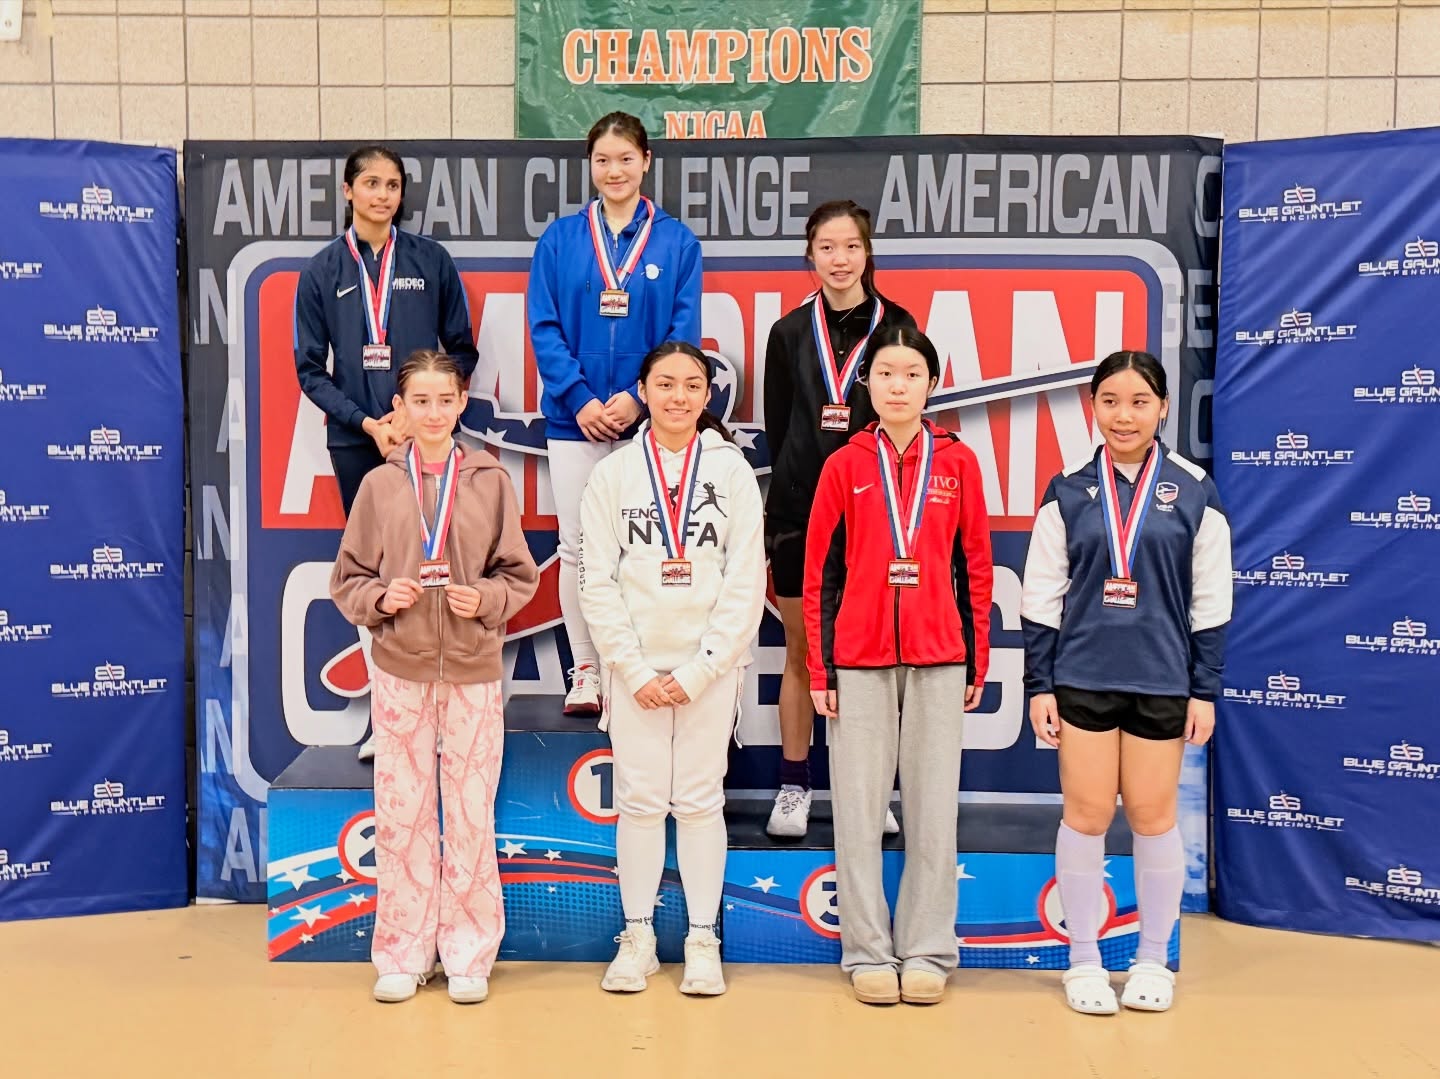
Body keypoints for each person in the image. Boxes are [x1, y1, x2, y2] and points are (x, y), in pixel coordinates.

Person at [1020, 350, 1231, 1016]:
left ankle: (1151, 958)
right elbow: (1041, 595)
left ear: (1163, 407)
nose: (1124, 414)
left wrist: (1205, 687)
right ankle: (1082, 957)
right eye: (1110, 400)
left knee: (1152, 815)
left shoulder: (1195, 488)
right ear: (1093, 406)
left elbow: (1212, 597)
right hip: (1082, 676)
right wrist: (1039, 682)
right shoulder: (1068, 490)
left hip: (1162, 681)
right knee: (1085, 816)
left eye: (1140, 400)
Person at [330, 350, 539, 1006]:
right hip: (400, 670)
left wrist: (488, 599)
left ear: (460, 403)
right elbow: (347, 579)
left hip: (473, 670)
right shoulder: (379, 485)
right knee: (404, 814)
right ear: (400, 407)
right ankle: (403, 949)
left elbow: (520, 574)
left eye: (444, 400)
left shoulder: (488, 479)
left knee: (471, 813)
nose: (432, 413)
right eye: (418, 401)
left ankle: (470, 950)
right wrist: (379, 599)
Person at [804, 326, 993, 1006]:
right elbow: (820, 568)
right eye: (886, 373)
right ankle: (866, 950)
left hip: (940, 654)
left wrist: (977, 655)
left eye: (911, 373)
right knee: (856, 811)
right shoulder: (845, 463)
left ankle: (928, 948)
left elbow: (975, 562)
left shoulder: (958, 462)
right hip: (857, 656)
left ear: (932, 384)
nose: (897, 384)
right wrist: (820, 668)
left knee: (933, 809)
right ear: (868, 384)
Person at [578, 341, 765, 997]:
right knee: (638, 802)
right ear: (643, 389)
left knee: (698, 801)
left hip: (707, 671)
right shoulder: (615, 474)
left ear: (708, 395)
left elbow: (746, 579)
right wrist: (629, 668)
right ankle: (638, 938)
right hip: (636, 672)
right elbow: (594, 580)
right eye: (665, 383)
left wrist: (703, 668)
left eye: (692, 384)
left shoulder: (732, 471)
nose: (679, 396)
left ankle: (701, 939)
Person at [295, 143, 479, 761]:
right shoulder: (323, 270)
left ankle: (444, 706)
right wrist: (370, 422)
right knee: (377, 573)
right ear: (348, 190)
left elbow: (461, 347)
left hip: (425, 440)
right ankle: (387, 709)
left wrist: (420, 414)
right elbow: (309, 371)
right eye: (370, 183)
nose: (382, 194)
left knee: (434, 560)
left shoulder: (430, 260)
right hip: (358, 441)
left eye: (393, 185)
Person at [528, 112, 704, 718]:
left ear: (646, 162)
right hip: (571, 419)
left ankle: (631, 666)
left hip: (646, 420)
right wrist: (580, 399)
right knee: (577, 550)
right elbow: (544, 329)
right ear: (591, 166)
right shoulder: (559, 241)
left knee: (640, 547)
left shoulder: (678, 243)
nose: (614, 170)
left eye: (625, 158)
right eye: (603, 159)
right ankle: (584, 671)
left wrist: (637, 396)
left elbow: (682, 333)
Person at [762, 200, 917, 837]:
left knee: (870, 659)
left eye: (850, 246)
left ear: (867, 252)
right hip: (800, 516)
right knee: (802, 650)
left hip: (877, 516)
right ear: (810, 255)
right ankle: (794, 787)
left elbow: (906, 418)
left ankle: (870, 787)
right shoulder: (788, 333)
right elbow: (779, 428)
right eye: (826, 247)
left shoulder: (897, 325)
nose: (839, 259)